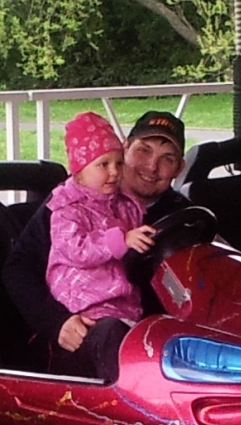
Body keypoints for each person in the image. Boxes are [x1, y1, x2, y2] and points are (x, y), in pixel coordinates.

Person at [3, 109, 190, 377]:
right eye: (143, 151)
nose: (151, 166)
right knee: (111, 335)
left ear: (179, 168)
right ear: (126, 147)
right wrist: (57, 322)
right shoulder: (70, 205)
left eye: (167, 159)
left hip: (156, 334)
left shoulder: (185, 215)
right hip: (83, 329)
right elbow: (19, 268)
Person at [41, 113, 157, 379]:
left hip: (123, 304)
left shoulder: (125, 205)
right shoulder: (66, 209)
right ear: (79, 172)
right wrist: (122, 240)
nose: (114, 172)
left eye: (118, 163)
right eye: (103, 164)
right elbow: (77, 249)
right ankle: (118, 393)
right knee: (111, 335)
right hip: (85, 307)